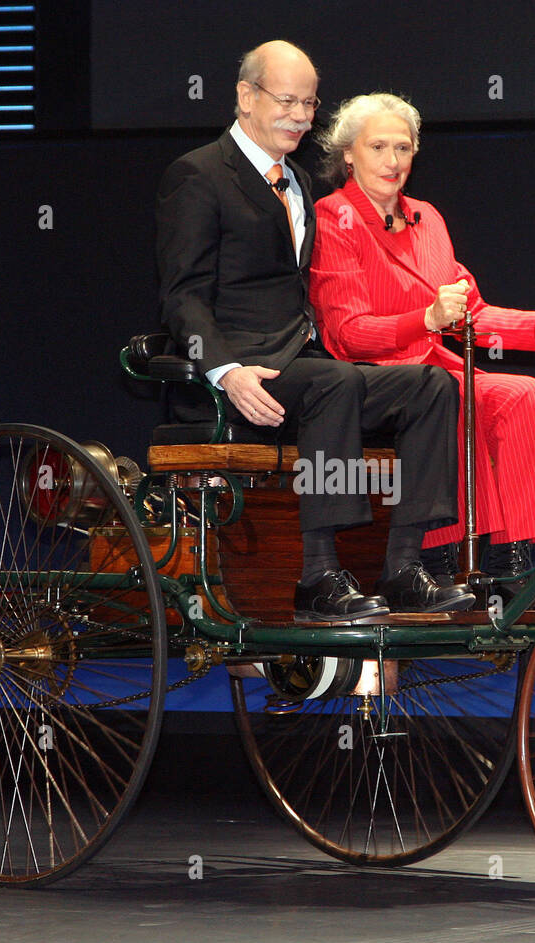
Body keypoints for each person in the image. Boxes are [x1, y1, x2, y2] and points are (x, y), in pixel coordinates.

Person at [155, 44, 474, 620]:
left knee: (430, 385)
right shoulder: (199, 174)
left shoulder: (299, 180)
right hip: (246, 371)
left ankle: (404, 567)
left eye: (309, 103)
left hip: (305, 363)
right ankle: (318, 576)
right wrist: (225, 371)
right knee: (335, 383)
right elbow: (182, 297)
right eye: (287, 100)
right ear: (246, 97)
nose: (301, 115)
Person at [308, 92, 535, 601]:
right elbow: (346, 332)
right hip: (371, 380)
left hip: (436, 364)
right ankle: (438, 558)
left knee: (525, 396)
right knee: (448, 392)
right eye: (378, 147)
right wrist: (424, 318)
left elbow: (470, 312)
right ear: (348, 154)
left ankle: (510, 563)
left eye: (404, 148)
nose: (393, 161)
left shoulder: (427, 218)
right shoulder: (333, 218)